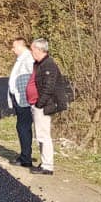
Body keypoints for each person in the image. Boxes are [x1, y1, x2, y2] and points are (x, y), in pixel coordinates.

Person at [28, 37, 68, 176]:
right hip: (39, 105)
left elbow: (48, 88)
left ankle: (48, 166)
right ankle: (44, 163)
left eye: (32, 49)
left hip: (44, 106)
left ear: (39, 50)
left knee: (44, 135)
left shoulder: (48, 65)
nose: (31, 52)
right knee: (40, 135)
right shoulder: (40, 64)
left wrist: (39, 104)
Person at [6, 37, 35, 169]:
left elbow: (34, 76)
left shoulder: (28, 59)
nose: (12, 50)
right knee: (21, 127)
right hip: (19, 98)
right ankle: (25, 156)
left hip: (25, 100)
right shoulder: (21, 59)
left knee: (23, 127)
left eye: (14, 47)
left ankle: (26, 158)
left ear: (20, 46)